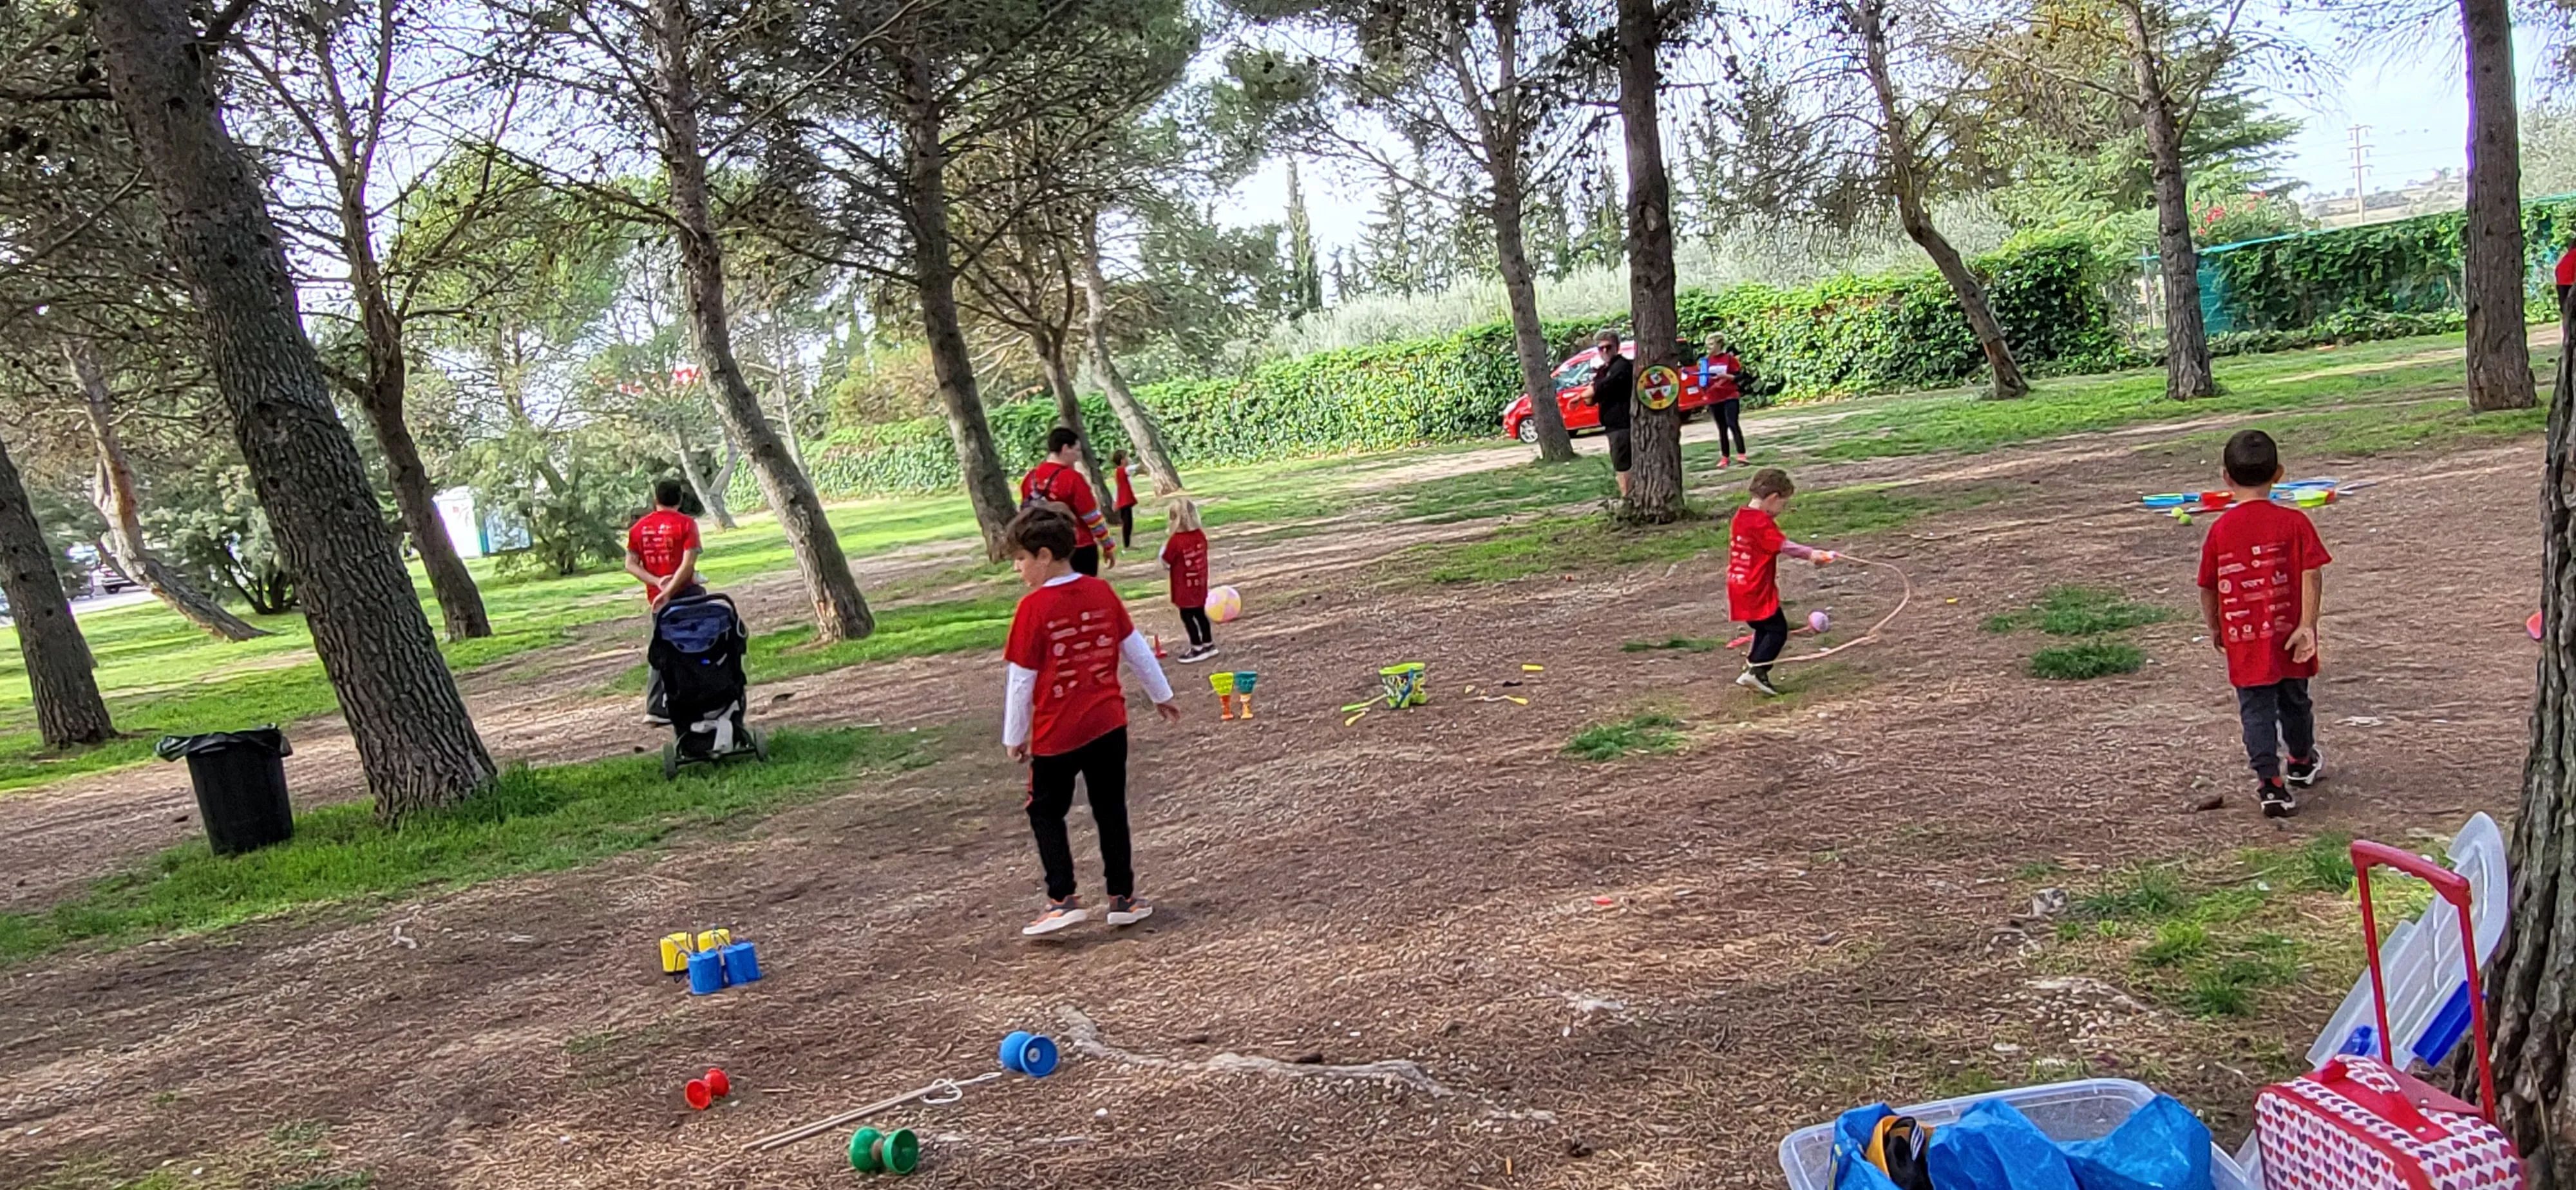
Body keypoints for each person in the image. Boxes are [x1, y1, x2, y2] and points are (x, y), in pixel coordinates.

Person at [1001, 505, 1180, 936]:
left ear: (1044, 556)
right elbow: (1135, 649)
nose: (1017, 568)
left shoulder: (1032, 609)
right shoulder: (1102, 593)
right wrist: (1163, 695)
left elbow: (1021, 681)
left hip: (1056, 733)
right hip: (1107, 724)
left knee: (1045, 811)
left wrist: (1014, 735)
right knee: (1110, 808)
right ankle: (1124, 898)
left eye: (1020, 559)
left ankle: (1062, 899)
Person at [2197, 429, 2330, 818]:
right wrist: (2307, 624)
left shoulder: (2220, 530)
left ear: (2226, 478)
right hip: (2289, 636)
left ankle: (2270, 784)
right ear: (2280, 474)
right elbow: (2312, 573)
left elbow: (2208, 585)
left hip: (2245, 638)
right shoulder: (2295, 523)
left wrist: (2216, 627)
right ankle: (2302, 762)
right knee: (2295, 700)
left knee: (2255, 710)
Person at [1728, 468, 1835, 697]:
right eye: (1783, 504)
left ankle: (1753, 668)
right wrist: (1812, 554)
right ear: (1773, 498)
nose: (1781, 511)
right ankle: (1756, 671)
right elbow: (1783, 546)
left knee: (1763, 628)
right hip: (1756, 588)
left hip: (1739, 586)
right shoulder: (1760, 523)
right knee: (1777, 630)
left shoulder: (1741, 517)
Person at [625, 477, 704, 725]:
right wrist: (671, 589)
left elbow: (630, 565)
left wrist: (657, 582)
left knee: (662, 648)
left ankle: (656, 705)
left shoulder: (638, 529)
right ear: (680, 499)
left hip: (657, 600)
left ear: (655, 499)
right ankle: (698, 696)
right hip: (686, 594)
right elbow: (688, 563)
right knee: (697, 644)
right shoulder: (686, 524)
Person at [1020, 428, 1115, 576]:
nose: (1079, 456)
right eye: (1077, 451)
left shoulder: (1030, 479)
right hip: (1078, 546)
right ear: (1065, 448)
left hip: (1045, 549)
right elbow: (1092, 518)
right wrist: (1107, 544)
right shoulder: (1072, 478)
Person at [1161, 496, 1215, 663]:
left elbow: (1167, 560)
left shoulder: (1176, 541)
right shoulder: (1200, 535)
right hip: (1199, 584)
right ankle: (1209, 643)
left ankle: (1197, 647)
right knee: (1200, 614)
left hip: (1184, 587)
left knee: (1187, 616)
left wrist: (1162, 556)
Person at [1587, 328, 1635, 497]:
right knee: (1619, 463)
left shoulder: (1622, 367)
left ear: (1617, 347)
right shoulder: (1603, 370)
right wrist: (1592, 392)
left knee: (1623, 465)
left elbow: (1599, 388)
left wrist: (1593, 391)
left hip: (1623, 424)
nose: (1605, 351)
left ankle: (1627, 497)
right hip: (1612, 425)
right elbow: (1590, 397)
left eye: (1609, 347)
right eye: (1601, 349)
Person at [1701, 333, 1749, 468]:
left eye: (1711, 344)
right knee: (1722, 428)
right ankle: (1725, 457)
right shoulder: (1706, 361)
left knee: (1732, 424)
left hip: (1730, 396)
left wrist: (1726, 377)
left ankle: (1741, 455)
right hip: (1714, 398)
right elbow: (1703, 380)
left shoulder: (1729, 359)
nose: (1708, 347)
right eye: (1707, 344)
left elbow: (1740, 376)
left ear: (1719, 344)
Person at [1111, 449, 1139, 549]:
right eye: (1126, 457)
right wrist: (1140, 465)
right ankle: (1127, 545)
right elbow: (1131, 469)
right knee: (1127, 523)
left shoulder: (1119, 471)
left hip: (1124, 501)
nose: (1128, 459)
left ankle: (1128, 544)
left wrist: (1115, 501)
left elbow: (1117, 488)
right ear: (1122, 460)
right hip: (1125, 501)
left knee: (1128, 522)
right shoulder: (1122, 470)